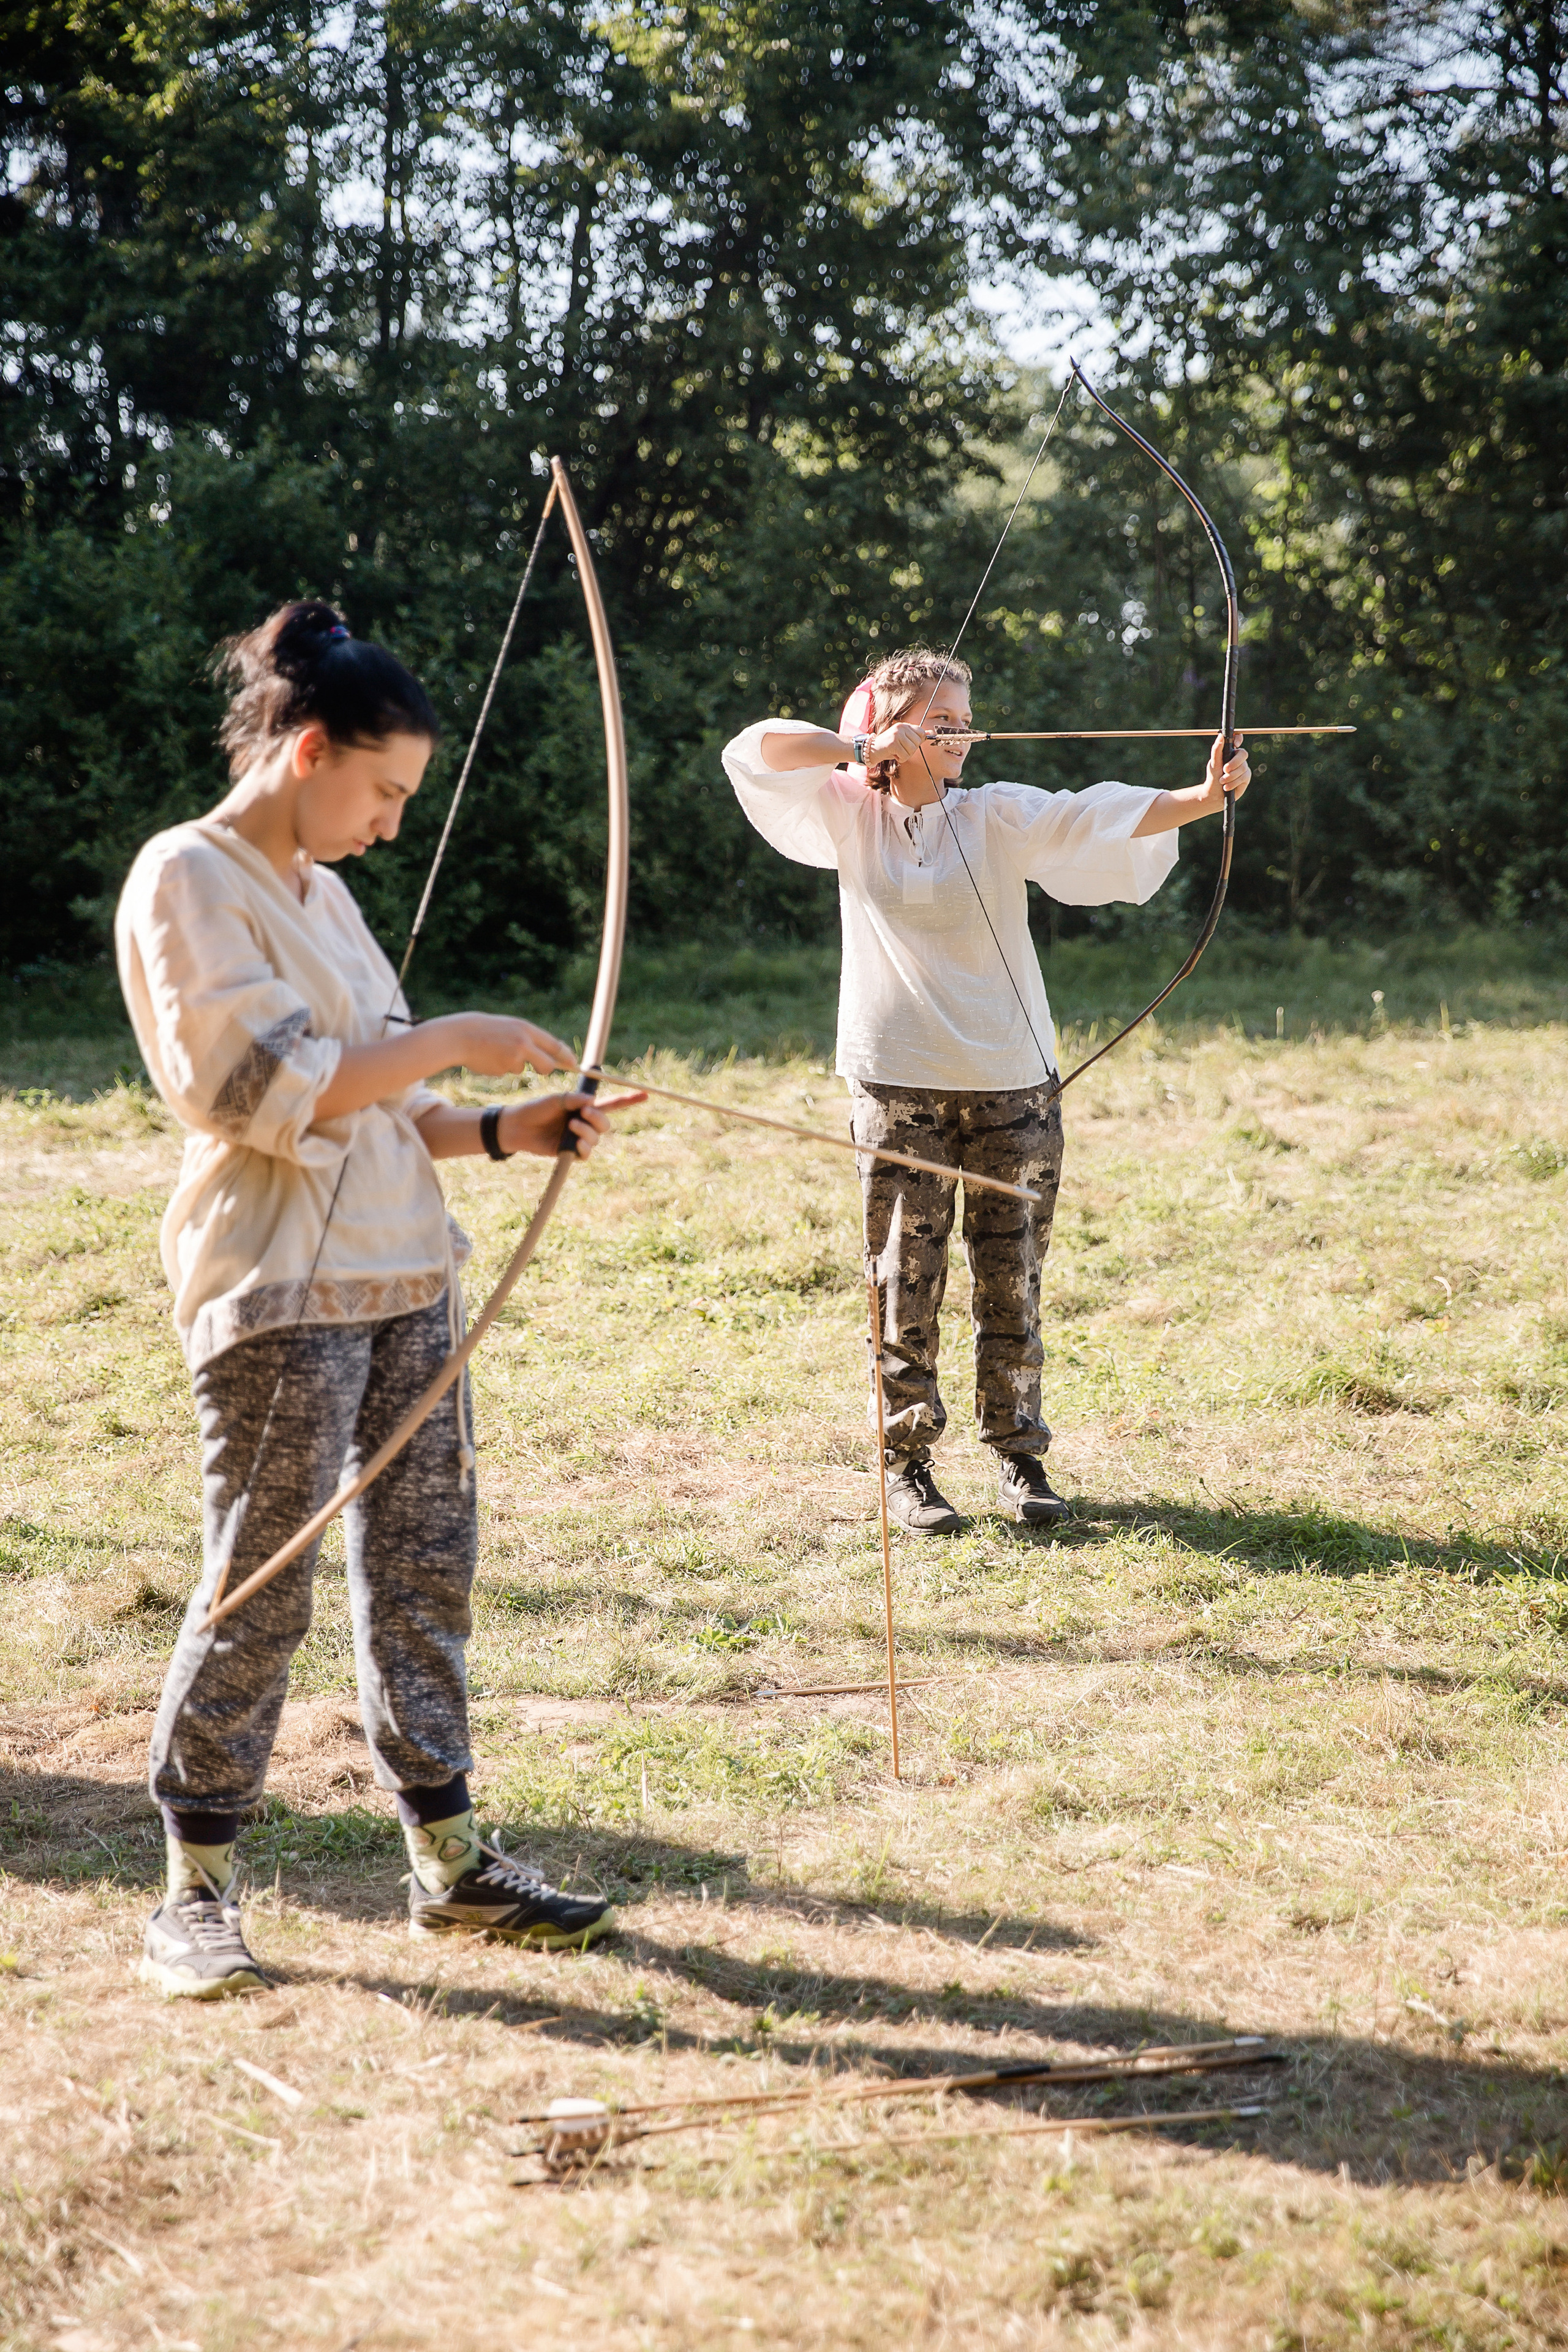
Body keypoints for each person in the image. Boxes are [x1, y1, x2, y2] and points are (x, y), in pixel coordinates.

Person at [116, 600, 639, 1999]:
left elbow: (383, 1104)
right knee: (262, 1577)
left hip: (406, 1266)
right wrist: (450, 1038)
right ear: (309, 751)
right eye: (384, 790)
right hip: (280, 1284)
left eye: (410, 798)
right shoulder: (189, 875)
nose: (394, 823)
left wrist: (504, 1128)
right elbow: (251, 1090)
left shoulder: (327, 892)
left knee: (423, 1565)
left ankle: (451, 1866)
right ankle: (195, 1892)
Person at [722, 647, 1250, 1534]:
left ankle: (1018, 1454)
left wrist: (1204, 797)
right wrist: (859, 747)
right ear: (890, 726)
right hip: (897, 1086)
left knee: (1012, 1277)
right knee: (903, 1277)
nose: (963, 736)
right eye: (942, 722)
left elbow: (1096, 815)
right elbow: (756, 749)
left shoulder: (997, 813)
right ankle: (907, 1466)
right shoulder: (848, 813)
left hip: (1012, 1086)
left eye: (967, 721)